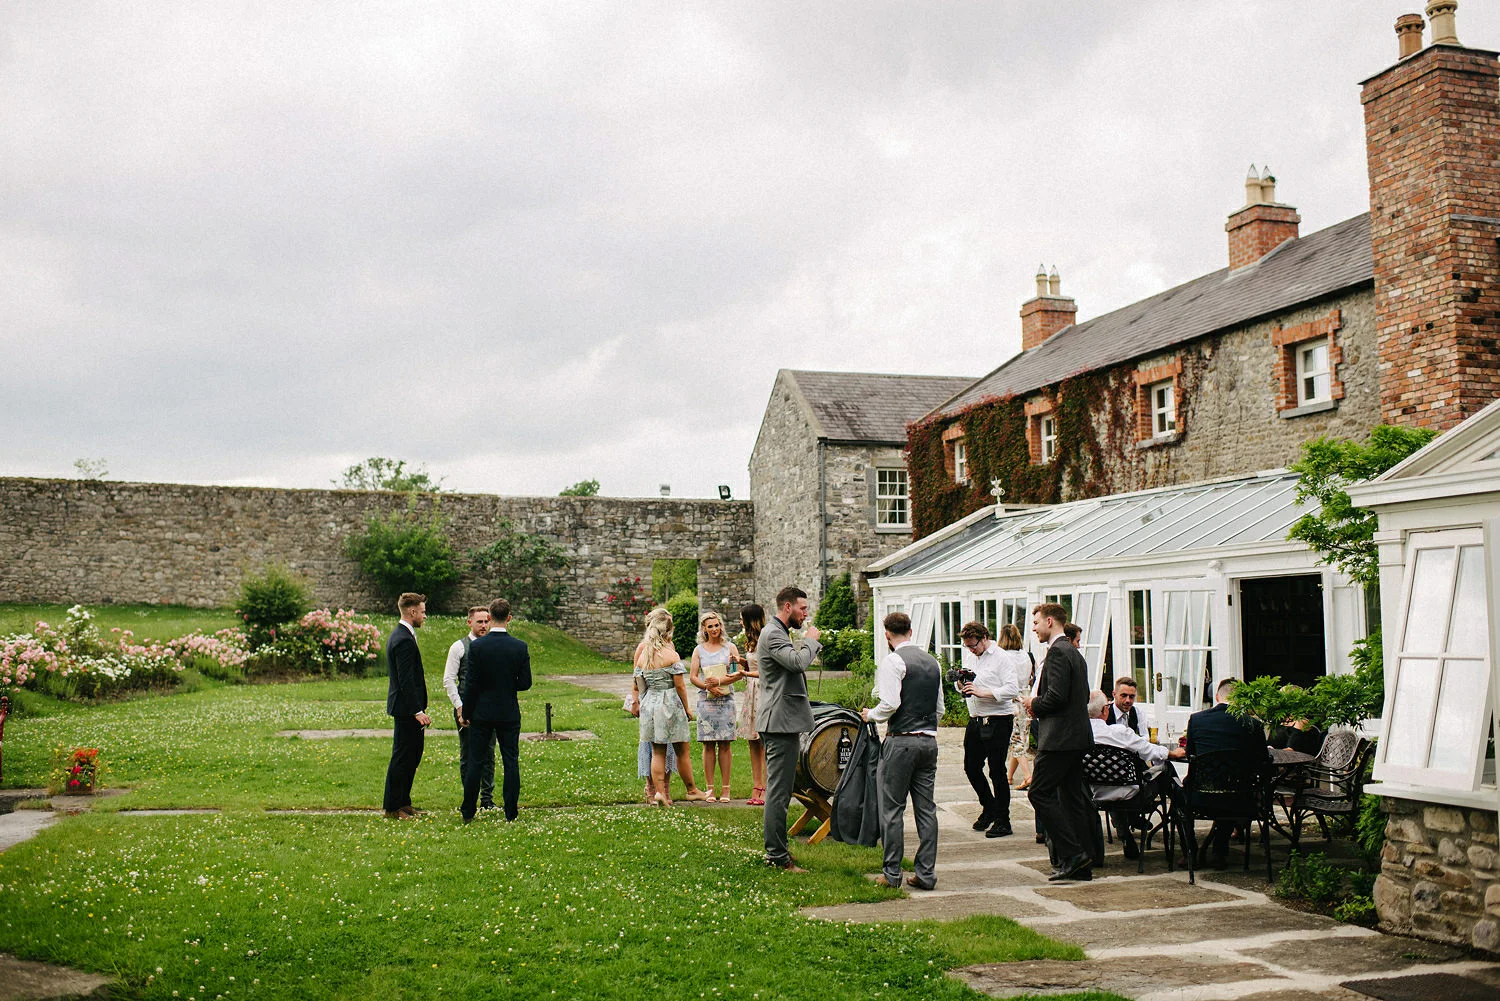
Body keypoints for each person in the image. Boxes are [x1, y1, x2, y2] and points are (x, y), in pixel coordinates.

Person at [864, 611, 942, 890]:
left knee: (892, 810)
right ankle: (926, 874)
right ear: (910, 631)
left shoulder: (893, 661)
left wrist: (870, 715)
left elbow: (890, 704)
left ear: (887, 635)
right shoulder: (932, 662)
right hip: (928, 742)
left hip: (900, 741)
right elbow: (939, 708)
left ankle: (892, 873)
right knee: (926, 810)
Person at [1024, 602, 1096, 882]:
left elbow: (1056, 697)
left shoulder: (1057, 652)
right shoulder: (1074, 653)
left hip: (1059, 739)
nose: (1034, 628)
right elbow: (1081, 695)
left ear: (1050, 621)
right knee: (1072, 799)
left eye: (1036, 622)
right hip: (1076, 737)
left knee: (1038, 793)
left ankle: (1073, 854)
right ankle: (1082, 863)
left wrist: (1033, 703)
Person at [757, 585, 821, 871]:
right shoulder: (773, 633)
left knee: (780, 791)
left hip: (782, 722)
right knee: (779, 793)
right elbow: (797, 663)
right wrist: (810, 642)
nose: (806, 613)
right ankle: (777, 856)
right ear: (787, 607)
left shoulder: (779, 632)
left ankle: (778, 851)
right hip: (778, 724)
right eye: (802, 608)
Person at [1088, 689, 1185, 859]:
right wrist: (1172, 753)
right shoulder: (1119, 732)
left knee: (1115, 786)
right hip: (1132, 796)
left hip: (1095, 795)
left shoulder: (1079, 735)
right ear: (1104, 710)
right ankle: (1181, 815)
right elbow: (1149, 750)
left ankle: (1124, 833)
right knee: (1165, 768)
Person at [459, 598, 532, 822]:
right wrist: (508, 683)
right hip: (508, 711)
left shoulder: (478, 647)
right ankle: (511, 811)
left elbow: (471, 684)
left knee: (476, 761)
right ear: (509, 618)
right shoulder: (519, 647)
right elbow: (525, 683)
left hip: (482, 712)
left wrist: (466, 712)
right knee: (510, 761)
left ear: (489, 618)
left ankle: (468, 810)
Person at [1186, 678, 1271, 867]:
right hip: (1241, 799)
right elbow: (1262, 761)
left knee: (1180, 795)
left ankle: (1190, 849)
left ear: (1217, 697)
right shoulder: (1253, 724)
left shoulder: (1197, 720)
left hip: (1201, 797)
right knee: (1232, 784)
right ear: (1241, 699)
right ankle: (1220, 848)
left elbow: (1190, 754)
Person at [631, 607, 707, 806]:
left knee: (657, 752)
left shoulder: (644, 656)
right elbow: (680, 686)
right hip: (669, 704)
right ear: (668, 631)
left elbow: (638, 684)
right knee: (682, 750)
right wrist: (687, 709)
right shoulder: (671, 655)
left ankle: (659, 794)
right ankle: (691, 790)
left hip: (650, 705)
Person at [958, 620, 1022, 839]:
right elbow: (967, 685)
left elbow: (1012, 689)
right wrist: (962, 685)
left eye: (973, 645)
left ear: (984, 638)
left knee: (996, 770)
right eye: (967, 646)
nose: (971, 649)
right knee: (971, 767)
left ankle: (1003, 820)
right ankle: (989, 806)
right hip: (975, 718)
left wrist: (982, 692)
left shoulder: (1001, 657)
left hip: (998, 719)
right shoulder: (970, 657)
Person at [383, 592, 432, 820]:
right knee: (403, 757)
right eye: (422, 611)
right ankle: (393, 807)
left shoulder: (404, 635)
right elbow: (405, 680)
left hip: (408, 709)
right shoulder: (402, 639)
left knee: (412, 756)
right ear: (412, 611)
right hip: (406, 710)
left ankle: (404, 802)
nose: (424, 616)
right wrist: (417, 711)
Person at [443, 606, 495, 810]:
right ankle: (469, 798)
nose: (483, 626)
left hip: (489, 708)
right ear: (469, 622)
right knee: (468, 754)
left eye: (486, 621)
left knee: (489, 754)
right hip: (467, 707)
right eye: (479, 622)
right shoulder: (459, 647)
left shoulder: (493, 645)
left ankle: (487, 799)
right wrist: (459, 707)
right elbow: (449, 680)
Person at [690, 610, 743, 802]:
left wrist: (720, 682)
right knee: (708, 744)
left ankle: (726, 789)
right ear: (704, 629)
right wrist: (708, 687)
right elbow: (693, 676)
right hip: (706, 701)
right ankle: (710, 789)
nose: (714, 629)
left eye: (717, 625)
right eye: (710, 626)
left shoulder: (730, 648)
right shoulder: (699, 650)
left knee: (725, 743)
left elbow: (738, 673)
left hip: (726, 700)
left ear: (721, 626)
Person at [733, 604, 767, 806]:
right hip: (751, 693)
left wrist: (746, 673)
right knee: (752, 741)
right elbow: (754, 664)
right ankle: (756, 785)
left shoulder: (765, 640)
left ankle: (767, 788)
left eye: (741, 618)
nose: (740, 621)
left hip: (762, 692)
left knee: (763, 741)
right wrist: (742, 661)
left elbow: (767, 671)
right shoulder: (750, 641)